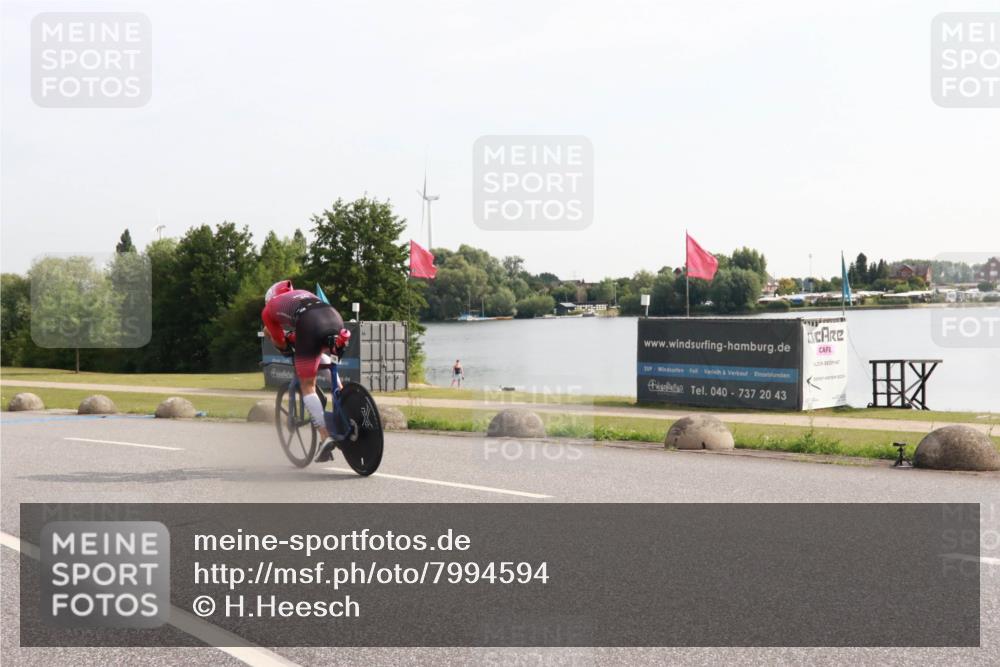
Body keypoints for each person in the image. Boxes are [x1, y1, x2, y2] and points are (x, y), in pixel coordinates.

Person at [261, 280, 350, 463]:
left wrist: (284, 347)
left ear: (270, 297)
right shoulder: (303, 293)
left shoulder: (269, 308)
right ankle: (346, 402)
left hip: (309, 324)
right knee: (327, 360)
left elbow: (280, 341)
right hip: (334, 318)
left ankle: (325, 437)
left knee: (307, 384)